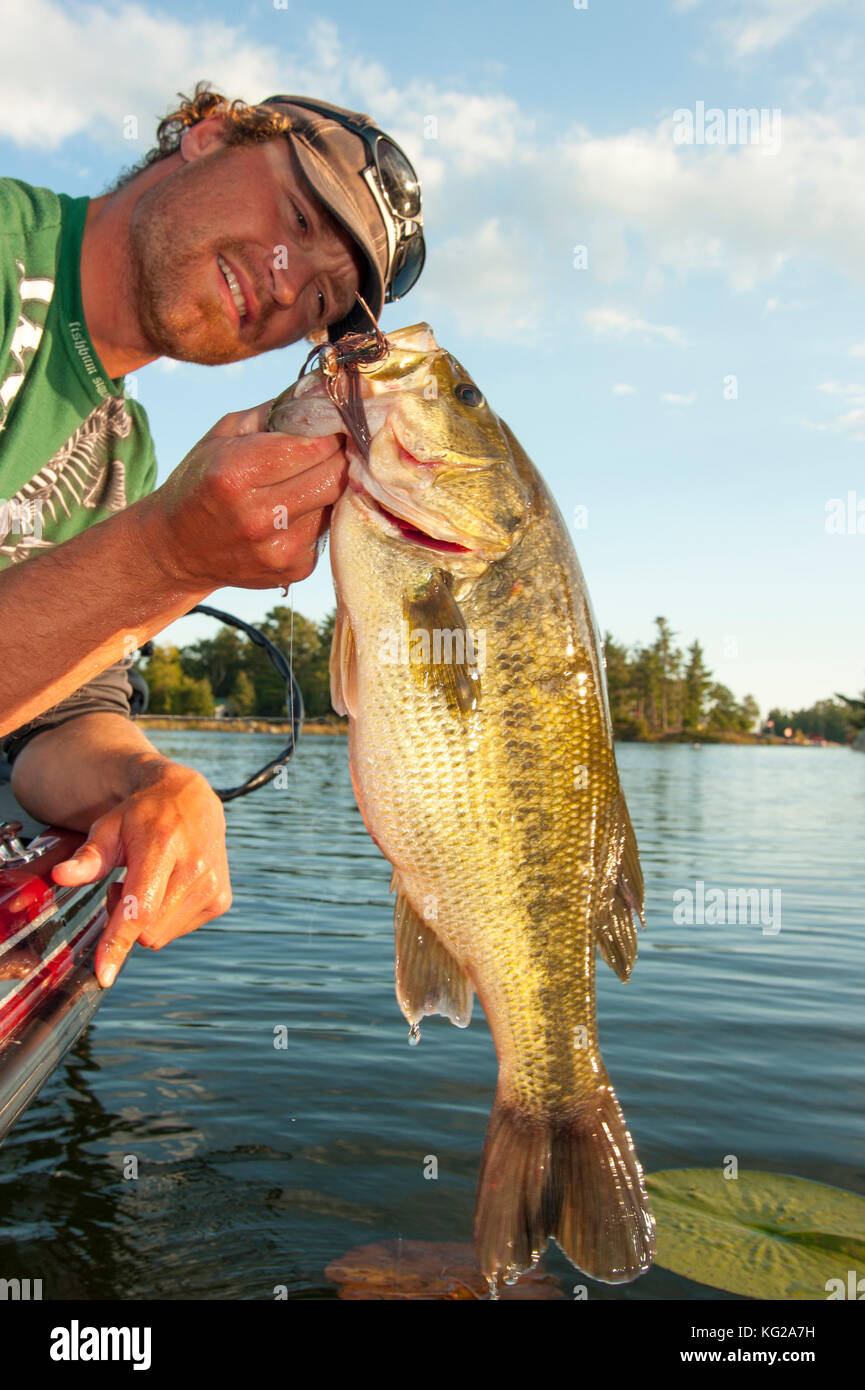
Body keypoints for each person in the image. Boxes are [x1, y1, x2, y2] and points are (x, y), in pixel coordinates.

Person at [0, 84, 425, 986]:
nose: (284, 280)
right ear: (208, 134)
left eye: (317, 301)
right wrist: (167, 556)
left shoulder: (129, 451)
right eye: (298, 215)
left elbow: (53, 721)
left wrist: (144, 779)